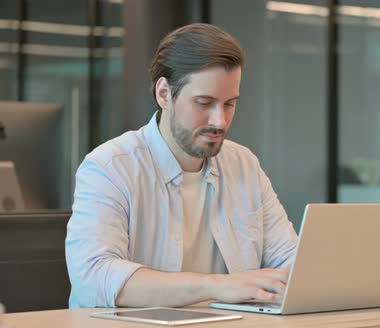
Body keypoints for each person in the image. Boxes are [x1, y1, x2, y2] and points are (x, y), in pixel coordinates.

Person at [65, 23, 298, 308]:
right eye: (204, 102)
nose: (219, 121)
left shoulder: (244, 165)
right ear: (164, 94)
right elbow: (93, 278)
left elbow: (293, 264)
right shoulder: (109, 167)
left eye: (229, 104)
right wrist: (217, 286)